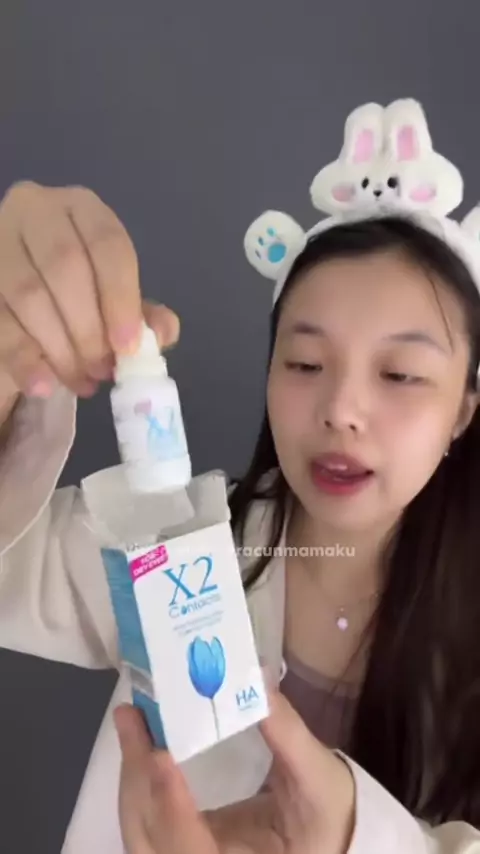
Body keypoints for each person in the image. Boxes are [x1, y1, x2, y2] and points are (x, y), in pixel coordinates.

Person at [0, 96, 480, 853]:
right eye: (306, 363)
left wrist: (360, 838)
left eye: (400, 374)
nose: (341, 409)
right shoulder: (168, 549)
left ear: (463, 411)